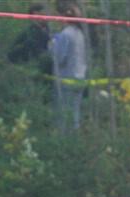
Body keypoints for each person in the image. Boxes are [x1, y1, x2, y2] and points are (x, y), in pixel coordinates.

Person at [50, 0, 87, 131]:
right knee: (75, 113)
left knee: (63, 114)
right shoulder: (80, 33)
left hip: (66, 79)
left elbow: (59, 58)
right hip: (80, 77)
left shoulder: (65, 34)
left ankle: (64, 142)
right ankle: (75, 141)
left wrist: (53, 44)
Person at [7, 3, 51, 74]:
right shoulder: (29, 33)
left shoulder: (49, 31)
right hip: (32, 69)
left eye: (45, 15)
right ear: (33, 17)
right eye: (40, 15)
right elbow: (13, 53)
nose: (44, 17)